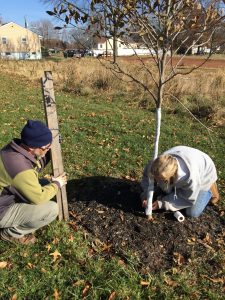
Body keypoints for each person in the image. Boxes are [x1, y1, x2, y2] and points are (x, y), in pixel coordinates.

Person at [0, 120, 67, 244]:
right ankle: (10, 233)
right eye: (47, 147)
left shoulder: (14, 148)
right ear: (32, 147)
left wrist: (52, 149)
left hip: (5, 196)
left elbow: (33, 166)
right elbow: (39, 198)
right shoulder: (19, 168)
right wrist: (57, 184)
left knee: (44, 183)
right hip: (1, 209)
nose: (48, 149)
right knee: (51, 209)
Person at [141, 146, 219, 217]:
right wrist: (146, 195)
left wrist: (162, 204)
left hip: (205, 175)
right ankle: (174, 189)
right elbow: (146, 178)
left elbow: (187, 199)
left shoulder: (190, 178)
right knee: (165, 191)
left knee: (192, 212)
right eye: (155, 178)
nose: (156, 181)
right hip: (188, 155)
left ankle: (210, 187)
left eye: (160, 179)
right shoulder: (156, 164)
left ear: (172, 175)